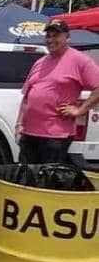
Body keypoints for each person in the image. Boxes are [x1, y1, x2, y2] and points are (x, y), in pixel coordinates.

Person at [16, 19, 99, 164]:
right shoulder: (39, 63)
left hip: (56, 137)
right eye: (48, 36)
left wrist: (80, 110)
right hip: (29, 134)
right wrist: (19, 124)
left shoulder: (79, 60)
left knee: (48, 181)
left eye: (56, 35)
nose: (50, 40)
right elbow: (27, 97)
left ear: (67, 36)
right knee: (26, 178)